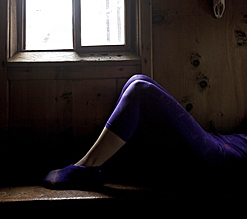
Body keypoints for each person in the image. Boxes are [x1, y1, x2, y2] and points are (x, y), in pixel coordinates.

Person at [43, 74, 247, 190]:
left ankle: (88, 168)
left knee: (140, 89)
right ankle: (90, 161)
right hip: (219, 141)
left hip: (222, 159)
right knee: (136, 79)